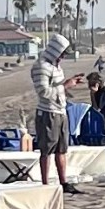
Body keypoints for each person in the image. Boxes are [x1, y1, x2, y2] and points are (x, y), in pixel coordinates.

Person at [29, 34, 71, 189]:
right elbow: (43, 92)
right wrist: (66, 86)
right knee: (47, 149)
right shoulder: (41, 66)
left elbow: (57, 87)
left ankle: (63, 182)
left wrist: (67, 86)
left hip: (60, 111)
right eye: (62, 54)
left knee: (62, 148)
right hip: (48, 112)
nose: (63, 57)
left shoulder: (55, 66)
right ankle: (45, 183)